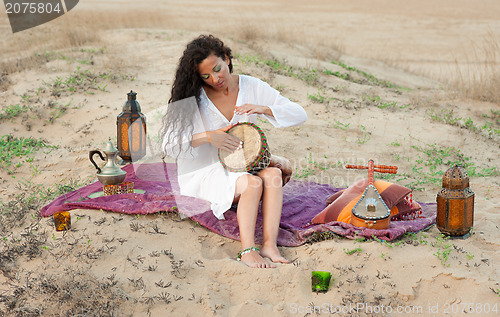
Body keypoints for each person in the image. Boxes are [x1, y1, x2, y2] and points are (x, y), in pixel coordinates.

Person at [162, 34, 307, 268]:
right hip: (205, 171)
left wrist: (264, 108)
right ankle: (247, 250)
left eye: (218, 69)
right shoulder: (194, 95)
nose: (215, 79)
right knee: (253, 184)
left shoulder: (251, 86)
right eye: (206, 76)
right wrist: (209, 137)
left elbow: (300, 114)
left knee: (273, 175)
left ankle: (270, 245)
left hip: (241, 164)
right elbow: (168, 143)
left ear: (227, 59)